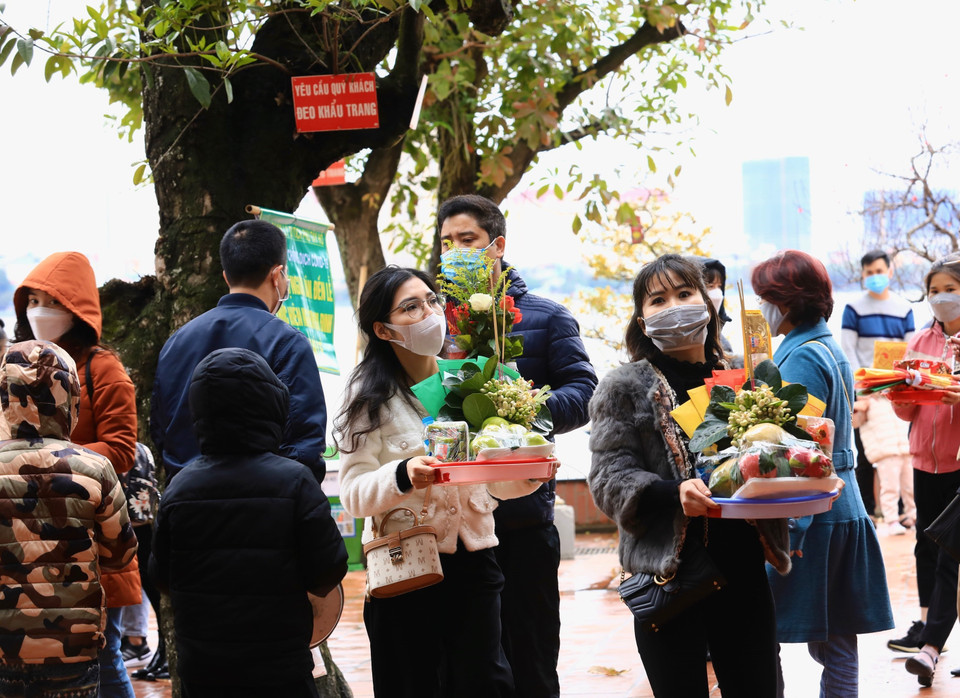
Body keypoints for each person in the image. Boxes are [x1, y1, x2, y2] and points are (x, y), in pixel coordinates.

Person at [335, 265, 551, 698]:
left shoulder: (468, 379)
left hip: (474, 559)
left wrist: (527, 472)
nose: (429, 313)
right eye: (411, 307)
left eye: (431, 300)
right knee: (413, 683)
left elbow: (490, 482)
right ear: (383, 328)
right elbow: (353, 494)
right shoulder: (367, 395)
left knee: (486, 683)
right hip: (406, 566)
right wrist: (404, 474)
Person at [587, 254, 790, 698]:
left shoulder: (744, 376)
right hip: (670, 574)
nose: (674, 306)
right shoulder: (623, 386)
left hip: (742, 567)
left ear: (708, 302)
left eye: (684, 293)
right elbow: (606, 479)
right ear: (642, 320)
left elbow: (776, 452)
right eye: (658, 300)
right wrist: (672, 492)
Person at [437, 194, 597, 698]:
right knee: (460, 668)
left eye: (467, 240)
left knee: (528, 660)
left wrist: (526, 414)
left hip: (522, 519)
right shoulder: (429, 320)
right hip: (449, 525)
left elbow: (584, 390)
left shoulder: (546, 317)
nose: (455, 251)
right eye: (446, 243)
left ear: (497, 245)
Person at [150, 347, 348, 698]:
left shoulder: (179, 488)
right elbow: (328, 571)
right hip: (280, 667)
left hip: (204, 670)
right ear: (272, 405)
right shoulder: (295, 481)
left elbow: (162, 577)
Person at [752, 250, 894, 697]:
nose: (761, 309)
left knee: (801, 636)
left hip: (817, 510)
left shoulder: (800, 360)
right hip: (843, 501)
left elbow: (801, 452)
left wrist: (791, 531)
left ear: (787, 302)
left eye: (766, 298)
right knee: (834, 636)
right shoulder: (825, 346)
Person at [12, 251, 141, 698]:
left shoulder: (103, 369)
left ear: (78, 307)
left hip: (85, 532)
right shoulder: (14, 366)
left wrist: (57, 462)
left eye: (52, 300)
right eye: (32, 300)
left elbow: (122, 449)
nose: (39, 310)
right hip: (22, 537)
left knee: (103, 656)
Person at [151, 218, 328, 485]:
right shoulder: (287, 342)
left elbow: (161, 430)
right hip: (266, 507)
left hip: (187, 505)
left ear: (226, 276)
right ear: (277, 275)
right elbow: (304, 444)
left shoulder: (176, 342)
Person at [890, 252, 960, 686]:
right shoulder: (919, 341)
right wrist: (897, 393)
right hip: (925, 460)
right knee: (929, 549)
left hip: (958, 463)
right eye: (934, 291)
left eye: (950, 289)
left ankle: (931, 646)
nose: (941, 298)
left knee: (951, 556)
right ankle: (930, 634)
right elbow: (907, 413)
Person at [840, 250, 915, 527]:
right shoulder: (854, 308)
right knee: (867, 453)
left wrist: (898, 384)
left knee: (900, 452)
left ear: (890, 272)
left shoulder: (904, 308)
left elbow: (910, 350)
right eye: (869, 272)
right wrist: (864, 388)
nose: (875, 277)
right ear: (862, 275)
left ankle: (902, 512)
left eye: (879, 271)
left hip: (896, 392)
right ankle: (869, 513)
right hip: (868, 393)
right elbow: (848, 351)